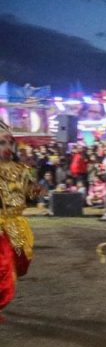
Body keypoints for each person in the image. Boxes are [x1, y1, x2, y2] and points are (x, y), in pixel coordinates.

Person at [0, 121, 38, 320]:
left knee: (20, 264)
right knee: (4, 268)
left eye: (9, 143)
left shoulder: (19, 169)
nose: (7, 148)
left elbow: (32, 195)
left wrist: (33, 179)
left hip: (17, 225)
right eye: (1, 144)